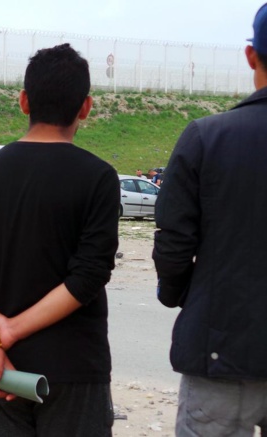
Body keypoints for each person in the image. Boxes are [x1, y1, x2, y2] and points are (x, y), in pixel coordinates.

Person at [0, 44, 119, 436]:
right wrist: (12, 330)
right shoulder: (98, 177)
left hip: (1, 372)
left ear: (23, 102)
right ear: (86, 107)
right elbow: (88, 276)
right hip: (74, 368)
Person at [153, 5, 267, 434]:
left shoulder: (209, 136)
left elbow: (174, 242)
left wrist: (181, 294)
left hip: (222, 351)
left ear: (250, 55)